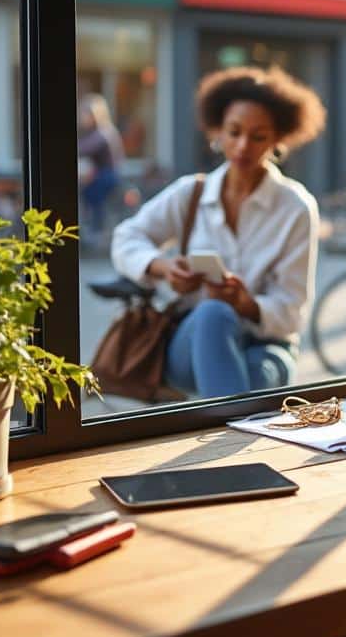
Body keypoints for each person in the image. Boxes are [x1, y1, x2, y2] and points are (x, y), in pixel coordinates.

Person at [110, 66, 325, 399]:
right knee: (213, 311)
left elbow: (291, 313)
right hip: (190, 343)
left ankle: (223, 433)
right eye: (234, 131)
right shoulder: (190, 193)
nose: (242, 146)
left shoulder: (295, 206)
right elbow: (126, 238)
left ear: (278, 140)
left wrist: (247, 304)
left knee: (250, 378)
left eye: (258, 136)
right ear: (218, 132)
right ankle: (236, 442)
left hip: (266, 345)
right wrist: (164, 268)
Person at [77, 93, 125, 235]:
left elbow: (84, 149)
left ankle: (95, 229)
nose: (82, 117)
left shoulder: (103, 133)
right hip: (106, 175)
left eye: (85, 114)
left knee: (89, 192)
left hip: (107, 177)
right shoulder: (103, 131)